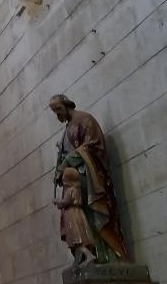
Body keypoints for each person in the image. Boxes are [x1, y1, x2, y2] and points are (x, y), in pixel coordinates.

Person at [49, 94, 127, 261]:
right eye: (54, 111)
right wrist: (59, 170)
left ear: (67, 105)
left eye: (58, 109)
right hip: (76, 183)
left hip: (90, 181)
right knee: (80, 222)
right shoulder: (67, 129)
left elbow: (93, 146)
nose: (57, 114)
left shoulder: (85, 120)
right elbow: (65, 156)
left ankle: (113, 258)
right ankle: (90, 257)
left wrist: (67, 161)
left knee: (96, 218)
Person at [56, 167, 97, 266]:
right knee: (81, 236)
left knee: (76, 238)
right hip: (78, 213)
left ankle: (89, 255)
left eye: (64, 177)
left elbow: (65, 202)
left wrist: (56, 201)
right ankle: (86, 257)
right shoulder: (77, 189)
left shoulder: (71, 190)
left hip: (72, 214)